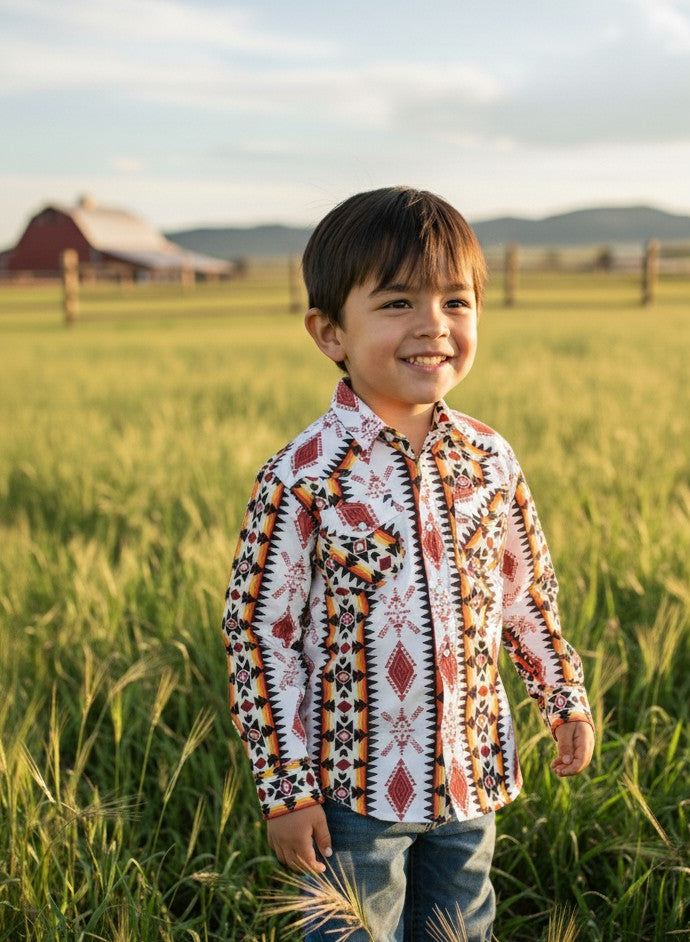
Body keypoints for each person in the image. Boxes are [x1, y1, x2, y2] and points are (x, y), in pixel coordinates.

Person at [221, 186, 594, 942]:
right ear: (330, 333)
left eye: (456, 302)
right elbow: (262, 636)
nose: (434, 326)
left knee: (464, 931)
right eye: (397, 303)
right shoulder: (303, 475)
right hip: (352, 796)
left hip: (471, 780)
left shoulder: (491, 460)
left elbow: (524, 597)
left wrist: (563, 696)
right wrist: (287, 790)